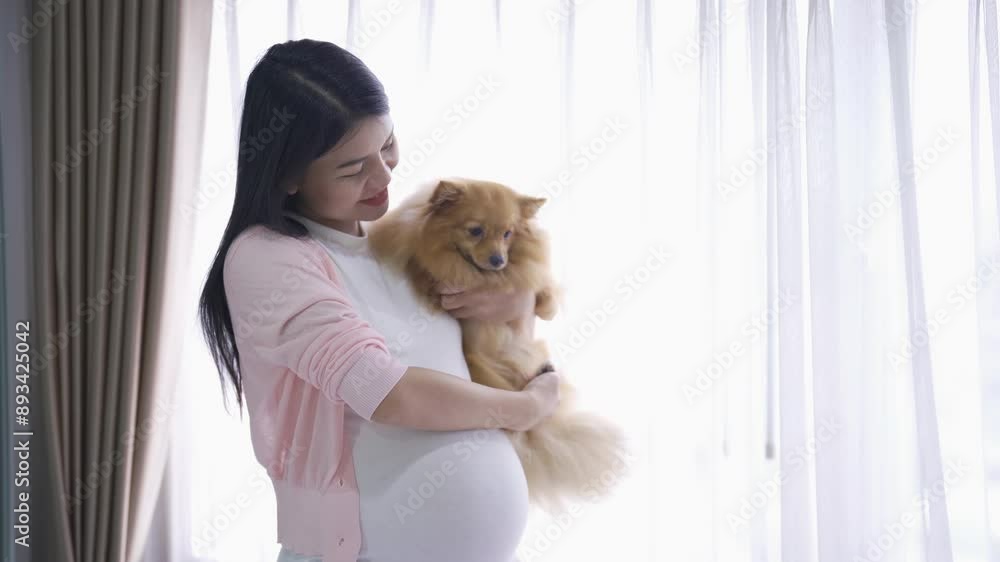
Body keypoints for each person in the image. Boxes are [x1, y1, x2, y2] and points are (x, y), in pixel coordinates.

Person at [197, 39, 561, 562]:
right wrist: (526, 409)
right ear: (288, 175)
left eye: (387, 145)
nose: (385, 176)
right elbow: (384, 393)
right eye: (352, 168)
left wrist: (520, 308)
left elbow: (491, 359)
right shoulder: (268, 258)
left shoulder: (403, 245)